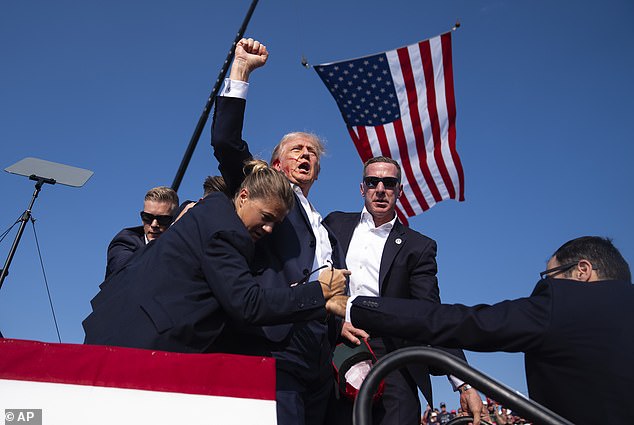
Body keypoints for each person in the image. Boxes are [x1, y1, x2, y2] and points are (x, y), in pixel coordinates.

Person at [336, 236, 634, 425]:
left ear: (583, 271)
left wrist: (355, 307)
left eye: (550, 276)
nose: (546, 284)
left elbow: (462, 322)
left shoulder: (564, 302)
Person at [211, 38, 347, 425]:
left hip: (319, 352)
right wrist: (241, 70)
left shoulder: (325, 227)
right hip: (273, 342)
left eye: (312, 153)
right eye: (296, 150)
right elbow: (225, 142)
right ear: (274, 163)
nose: (306, 155)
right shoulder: (266, 191)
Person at [83, 160, 349, 352]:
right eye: (266, 217)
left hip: (118, 331)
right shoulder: (226, 232)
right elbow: (248, 304)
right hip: (139, 344)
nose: (268, 229)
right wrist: (319, 292)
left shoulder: (212, 210)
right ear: (243, 196)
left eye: (276, 224)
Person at [324, 157, 481, 425]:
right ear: (362, 188)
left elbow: (431, 313)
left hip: (394, 356)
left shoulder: (418, 247)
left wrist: (464, 383)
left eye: (389, 182)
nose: (380, 188)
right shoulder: (334, 225)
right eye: (373, 182)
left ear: (399, 190)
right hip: (338, 348)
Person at [105, 186, 179, 278]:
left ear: (175, 220)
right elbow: (126, 272)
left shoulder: (181, 246)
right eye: (147, 217)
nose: (154, 224)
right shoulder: (125, 241)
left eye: (163, 219)